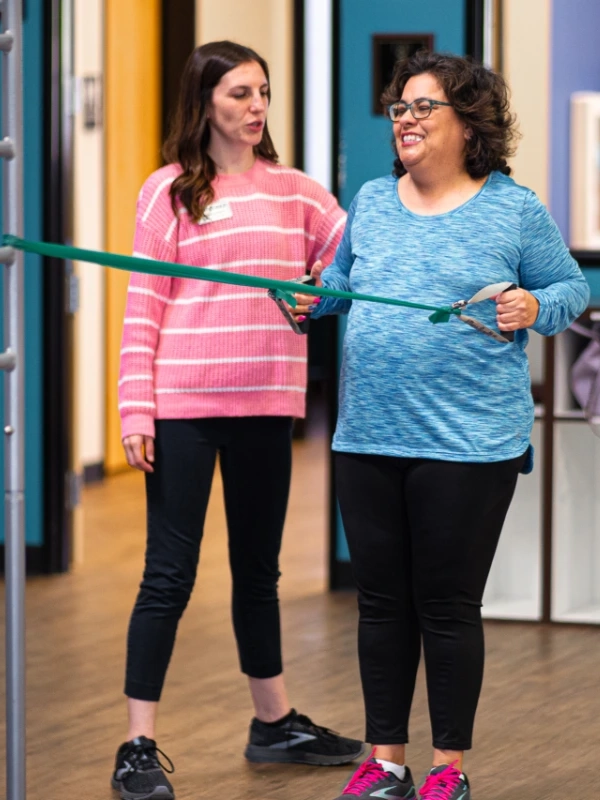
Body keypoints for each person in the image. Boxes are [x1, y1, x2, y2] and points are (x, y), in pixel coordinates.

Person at [292, 51, 589, 800]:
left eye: (424, 107)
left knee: (447, 606)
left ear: (470, 124)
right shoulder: (371, 199)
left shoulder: (511, 208)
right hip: (368, 435)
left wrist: (534, 307)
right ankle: (385, 760)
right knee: (381, 602)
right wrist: (310, 300)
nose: (406, 119)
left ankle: (449, 768)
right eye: (400, 107)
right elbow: (343, 284)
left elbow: (569, 288)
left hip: (468, 443)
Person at [111, 40, 364, 800]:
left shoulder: (297, 192)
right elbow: (143, 308)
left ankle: (273, 722)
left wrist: (323, 293)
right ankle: (137, 744)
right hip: (184, 407)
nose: (255, 109)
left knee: (260, 573)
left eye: (262, 94)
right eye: (239, 96)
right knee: (168, 575)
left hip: (266, 404)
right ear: (205, 104)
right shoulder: (168, 192)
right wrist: (135, 406)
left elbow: (353, 260)